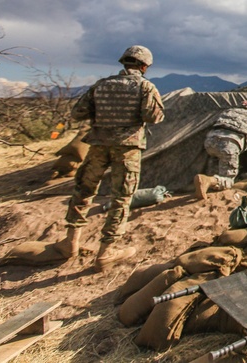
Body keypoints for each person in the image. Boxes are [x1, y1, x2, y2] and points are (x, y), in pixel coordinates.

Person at [52, 45, 165, 272]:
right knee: (121, 198)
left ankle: (71, 242)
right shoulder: (145, 87)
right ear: (144, 66)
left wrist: (103, 113)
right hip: (127, 149)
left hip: (98, 145)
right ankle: (106, 252)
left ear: (124, 62)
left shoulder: (101, 85)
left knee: (84, 191)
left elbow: (78, 113)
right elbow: (153, 117)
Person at [194, 100, 247, 199]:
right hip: (228, 145)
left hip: (210, 142)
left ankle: (208, 180)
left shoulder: (227, 112)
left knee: (216, 167)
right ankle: (207, 180)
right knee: (228, 179)